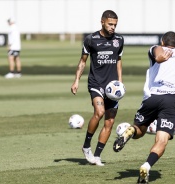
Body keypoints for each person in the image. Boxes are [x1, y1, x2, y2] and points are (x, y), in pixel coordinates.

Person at [113, 31, 175, 183]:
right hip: (171, 100)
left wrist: (159, 56)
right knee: (161, 140)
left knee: (139, 131)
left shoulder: (155, 47)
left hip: (152, 98)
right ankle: (147, 166)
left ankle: (130, 131)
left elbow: (156, 53)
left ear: (162, 42)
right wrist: (160, 57)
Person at [71, 10, 124, 166]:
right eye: (110, 24)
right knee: (99, 112)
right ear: (102, 22)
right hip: (96, 83)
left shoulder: (119, 40)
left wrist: (120, 82)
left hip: (112, 87)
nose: (113, 27)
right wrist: (76, 81)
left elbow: (119, 61)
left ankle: (97, 156)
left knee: (110, 122)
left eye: (115, 24)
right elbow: (82, 62)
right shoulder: (91, 39)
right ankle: (86, 146)